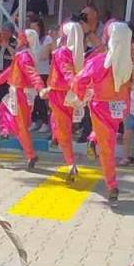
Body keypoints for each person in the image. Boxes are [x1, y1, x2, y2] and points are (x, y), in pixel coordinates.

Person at [73, 22, 133, 203]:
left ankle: (112, 184)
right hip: (121, 107)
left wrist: (81, 97)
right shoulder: (128, 63)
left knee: (107, 148)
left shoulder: (99, 61)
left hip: (101, 107)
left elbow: (79, 81)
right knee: (108, 136)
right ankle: (93, 138)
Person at [0, 28, 46, 169]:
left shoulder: (24, 56)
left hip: (21, 93)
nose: (17, 40)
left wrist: (40, 88)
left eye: (20, 38)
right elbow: (10, 71)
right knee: (4, 107)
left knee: (21, 126)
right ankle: (5, 130)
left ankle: (30, 154)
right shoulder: (22, 55)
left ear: (25, 40)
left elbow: (32, 73)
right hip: (18, 91)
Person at [44, 21, 85, 179]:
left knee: (64, 129)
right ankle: (57, 140)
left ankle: (70, 163)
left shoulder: (62, 52)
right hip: (66, 93)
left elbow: (66, 72)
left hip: (60, 93)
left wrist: (74, 85)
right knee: (60, 123)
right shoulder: (76, 53)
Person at [28, 18, 53, 134]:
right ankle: (35, 120)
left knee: (41, 98)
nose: (33, 30)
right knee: (32, 98)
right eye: (31, 28)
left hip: (43, 72)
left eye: (35, 28)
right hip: (32, 72)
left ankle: (45, 122)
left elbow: (43, 56)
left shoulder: (46, 39)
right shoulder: (29, 41)